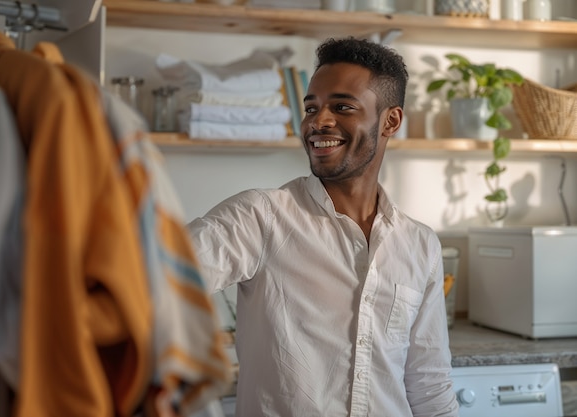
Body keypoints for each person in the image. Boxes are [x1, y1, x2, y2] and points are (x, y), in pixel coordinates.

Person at [187, 37, 459, 417]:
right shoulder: (260, 217)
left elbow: (428, 382)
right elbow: (148, 279)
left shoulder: (420, 243)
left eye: (342, 107)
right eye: (311, 107)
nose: (318, 121)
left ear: (391, 121)